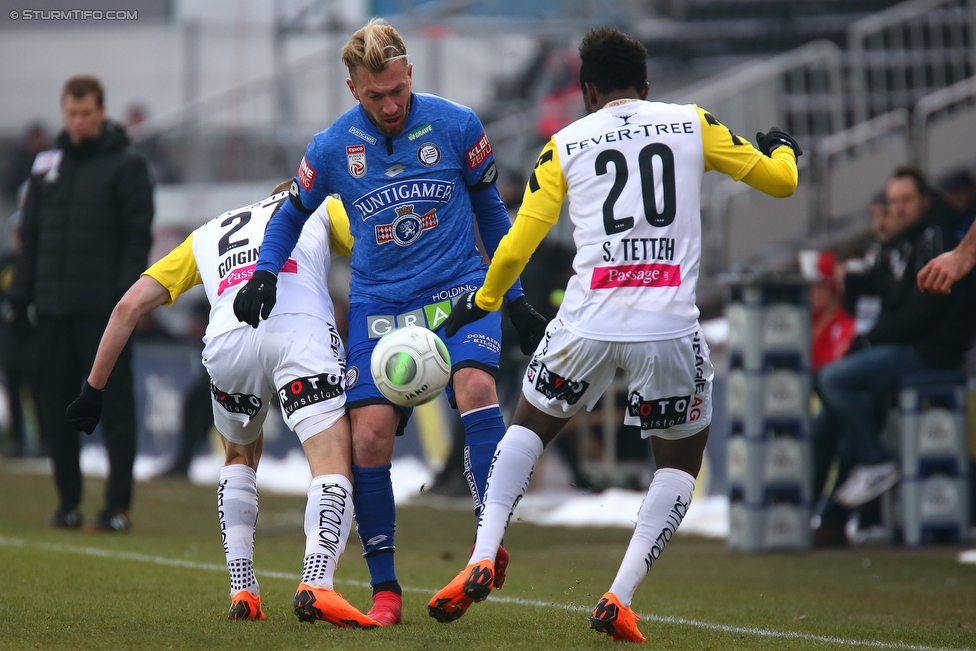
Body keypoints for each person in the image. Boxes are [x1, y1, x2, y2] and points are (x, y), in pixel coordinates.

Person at [426, 27, 799, 641]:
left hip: (586, 320)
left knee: (528, 426)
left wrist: (488, 298)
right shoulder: (691, 123)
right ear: (646, 86)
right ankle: (619, 596)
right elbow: (779, 183)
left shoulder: (564, 143)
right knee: (679, 459)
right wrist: (783, 149)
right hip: (669, 325)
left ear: (587, 90)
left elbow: (521, 237)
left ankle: (482, 553)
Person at [232, 19, 547, 626]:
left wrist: (513, 296)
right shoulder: (329, 148)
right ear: (353, 90)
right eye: (375, 95)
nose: (390, 104)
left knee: (477, 387)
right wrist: (265, 272)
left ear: (410, 76)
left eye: (398, 90)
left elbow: (490, 209)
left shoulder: (457, 125)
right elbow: (288, 215)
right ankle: (386, 593)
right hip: (380, 305)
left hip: (460, 287)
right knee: (369, 436)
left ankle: (486, 547)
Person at [65, 185, 380, 627]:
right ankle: (317, 583)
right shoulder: (321, 207)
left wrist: (93, 389)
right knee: (330, 463)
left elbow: (127, 307)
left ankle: (242, 591)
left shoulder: (208, 233)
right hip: (298, 333)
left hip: (230, 342)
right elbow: (380, 241)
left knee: (238, 455)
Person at [9, 75, 154, 532]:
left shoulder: (127, 165)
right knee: (55, 409)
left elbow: (137, 238)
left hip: (103, 314)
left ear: (101, 112)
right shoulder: (46, 165)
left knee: (115, 409)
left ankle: (118, 506)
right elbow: (30, 239)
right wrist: (20, 296)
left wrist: (125, 302)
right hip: (52, 308)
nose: (78, 122)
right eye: (71, 113)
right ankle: (68, 502)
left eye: (86, 113)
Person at [814, 167, 974, 543]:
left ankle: (876, 461)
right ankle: (826, 519)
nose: (897, 210)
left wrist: (870, 339)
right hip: (907, 347)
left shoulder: (935, 236)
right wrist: (854, 279)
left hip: (929, 354)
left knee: (835, 381)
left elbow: (922, 311)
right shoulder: (904, 241)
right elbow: (885, 294)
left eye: (905, 201)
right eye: (893, 202)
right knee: (831, 418)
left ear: (925, 201)